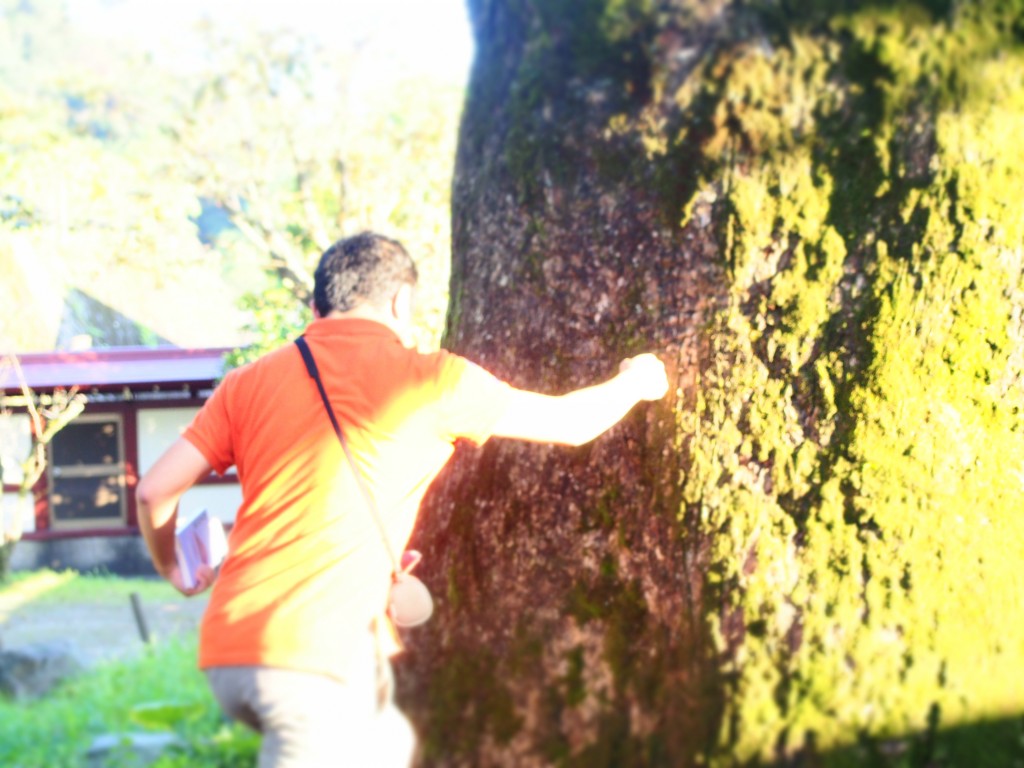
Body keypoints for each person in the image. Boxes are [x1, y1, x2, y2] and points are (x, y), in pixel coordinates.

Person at [136, 232, 669, 768]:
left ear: (316, 307)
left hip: (232, 649)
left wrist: (172, 567)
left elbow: (155, 490)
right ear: (400, 301)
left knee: (387, 745)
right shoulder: (433, 380)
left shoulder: (245, 384)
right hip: (316, 657)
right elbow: (570, 423)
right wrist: (637, 381)